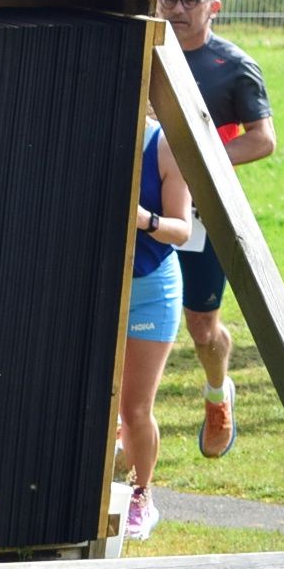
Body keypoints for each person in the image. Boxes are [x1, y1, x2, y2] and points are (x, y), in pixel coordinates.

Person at [152, 0, 276, 456]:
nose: (177, 10)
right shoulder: (145, 51)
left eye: (190, 0)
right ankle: (123, 420)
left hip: (202, 213)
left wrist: (199, 161)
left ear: (214, 8)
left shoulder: (234, 65)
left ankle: (218, 393)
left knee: (202, 326)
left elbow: (262, 140)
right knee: (124, 313)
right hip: (144, 210)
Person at [122, 123, 197, 538]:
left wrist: (144, 219)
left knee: (134, 408)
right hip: (101, 285)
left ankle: (141, 497)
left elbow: (182, 230)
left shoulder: (163, 145)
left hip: (152, 289)